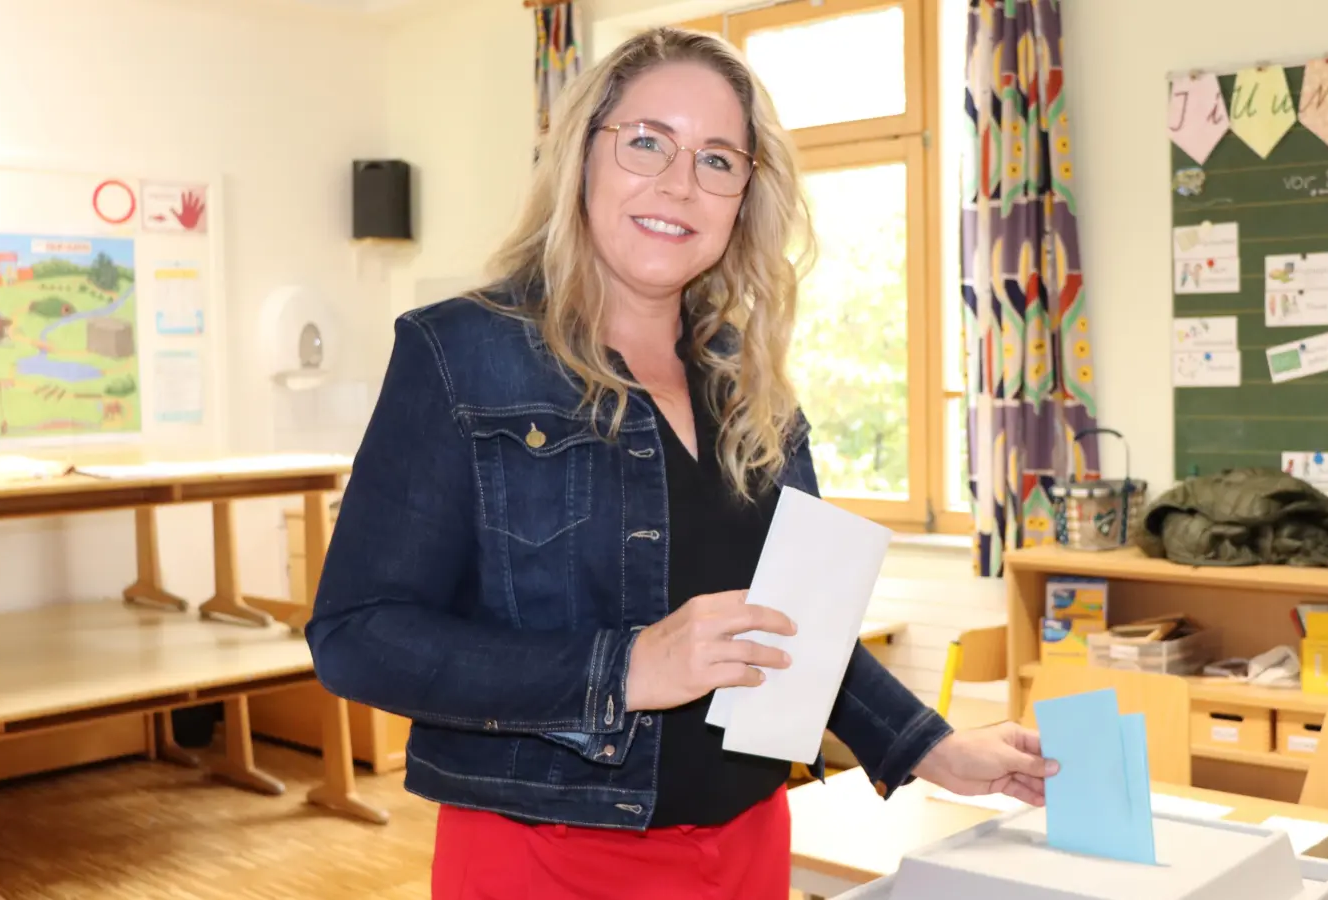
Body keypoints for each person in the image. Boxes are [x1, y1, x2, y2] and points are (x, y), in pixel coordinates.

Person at [306, 25, 1057, 900]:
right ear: (582, 156)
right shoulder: (457, 354)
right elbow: (357, 638)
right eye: (647, 142)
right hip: (544, 858)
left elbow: (790, 634)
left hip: (745, 847)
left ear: (745, 196)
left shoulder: (749, 381)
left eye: (717, 160)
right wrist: (625, 668)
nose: (677, 183)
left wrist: (931, 747)